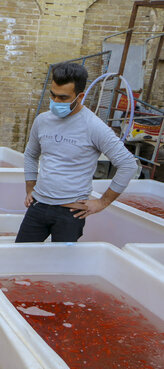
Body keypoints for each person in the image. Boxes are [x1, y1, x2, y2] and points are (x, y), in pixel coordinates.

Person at [16, 63, 138, 243]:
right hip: (38, 205)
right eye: (53, 95)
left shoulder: (94, 126)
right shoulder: (42, 121)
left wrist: (102, 202)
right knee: (20, 259)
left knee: (63, 267)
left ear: (80, 96)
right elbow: (31, 154)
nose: (56, 102)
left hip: (71, 212)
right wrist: (30, 187)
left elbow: (128, 165)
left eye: (63, 98)